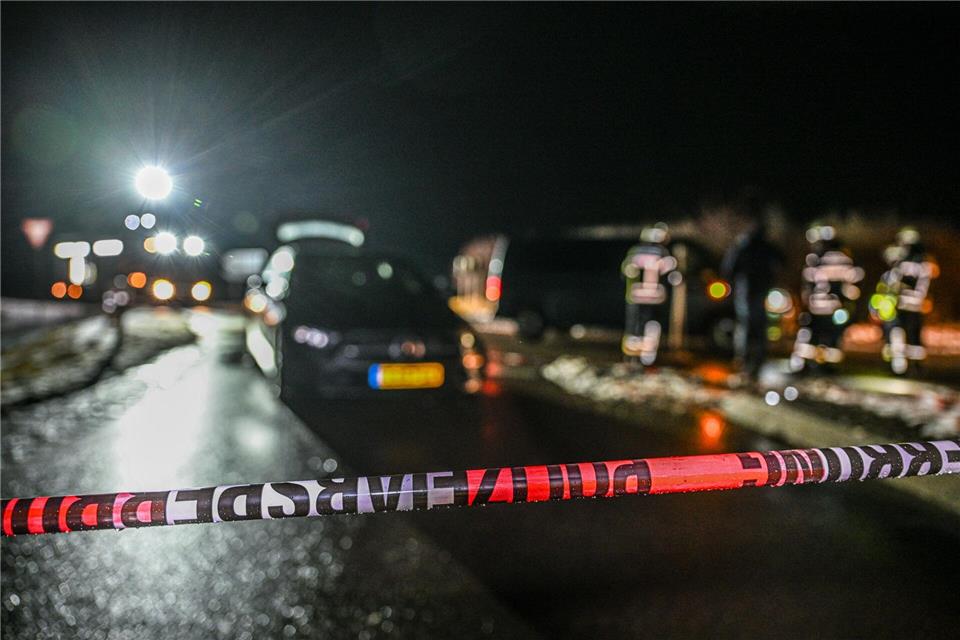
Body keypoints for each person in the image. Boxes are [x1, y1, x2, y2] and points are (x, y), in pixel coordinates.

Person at [790, 223, 864, 372]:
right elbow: (855, 279)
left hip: (816, 307)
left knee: (812, 336)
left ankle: (805, 365)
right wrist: (848, 301)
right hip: (834, 308)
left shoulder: (814, 259)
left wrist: (805, 302)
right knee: (831, 338)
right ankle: (825, 365)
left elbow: (807, 284)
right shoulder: (844, 258)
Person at [721, 220, 783, 380]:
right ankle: (756, 359)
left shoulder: (743, 246)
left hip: (746, 290)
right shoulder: (764, 247)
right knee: (758, 325)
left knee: (746, 324)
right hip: (759, 289)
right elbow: (782, 260)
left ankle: (745, 358)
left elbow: (728, 269)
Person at [881, 227, 938, 374]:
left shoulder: (901, 261)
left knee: (896, 331)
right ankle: (917, 365)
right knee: (914, 334)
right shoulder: (925, 262)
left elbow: (891, 280)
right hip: (917, 305)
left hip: (901, 303)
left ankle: (901, 365)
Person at [621, 223, 677, 366]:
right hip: (655, 296)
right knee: (652, 325)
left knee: (634, 327)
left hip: (636, 295)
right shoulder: (662, 252)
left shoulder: (634, 251)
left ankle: (631, 358)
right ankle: (648, 357)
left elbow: (626, 272)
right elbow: (671, 276)